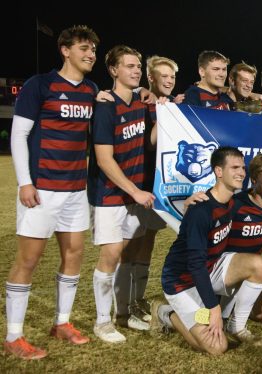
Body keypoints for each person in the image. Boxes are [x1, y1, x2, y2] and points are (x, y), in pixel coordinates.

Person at [4, 25, 99, 360]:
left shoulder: (91, 89)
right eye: (84, 48)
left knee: (73, 255)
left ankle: (62, 323)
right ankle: (13, 337)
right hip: (42, 188)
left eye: (93, 51)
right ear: (65, 50)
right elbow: (19, 136)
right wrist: (24, 181)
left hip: (76, 189)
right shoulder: (39, 85)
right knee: (28, 260)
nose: (90, 55)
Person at [152, 147, 262, 354]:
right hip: (182, 281)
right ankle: (167, 313)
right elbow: (195, 264)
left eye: (242, 167)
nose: (241, 172)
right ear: (218, 171)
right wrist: (213, 308)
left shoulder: (233, 200)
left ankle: (236, 325)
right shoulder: (201, 210)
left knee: (260, 265)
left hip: (210, 269)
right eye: (234, 167)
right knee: (217, 347)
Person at [88, 45, 156, 343]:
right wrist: (135, 191)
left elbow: (150, 142)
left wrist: (164, 111)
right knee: (111, 255)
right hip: (111, 194)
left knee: (128, 254)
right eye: (129, 66)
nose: (136, 70)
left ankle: (124, 315)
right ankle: (102, 322)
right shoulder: (105, 105)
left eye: (138, 65)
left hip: (134, 194)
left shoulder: (142, 104)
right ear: (114, 70)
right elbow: (104, 159)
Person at [112, 55, 183, 328]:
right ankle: (123, 307)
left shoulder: (171, 104)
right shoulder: (143, 102)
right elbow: (150, 144)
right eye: (163, 76)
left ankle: (137, 299)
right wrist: (159, 110)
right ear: (151, 79)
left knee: (148, 241)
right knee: (129, 245)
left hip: (159, 187)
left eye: (172, 76)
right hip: (138, 185)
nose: (169, 80)